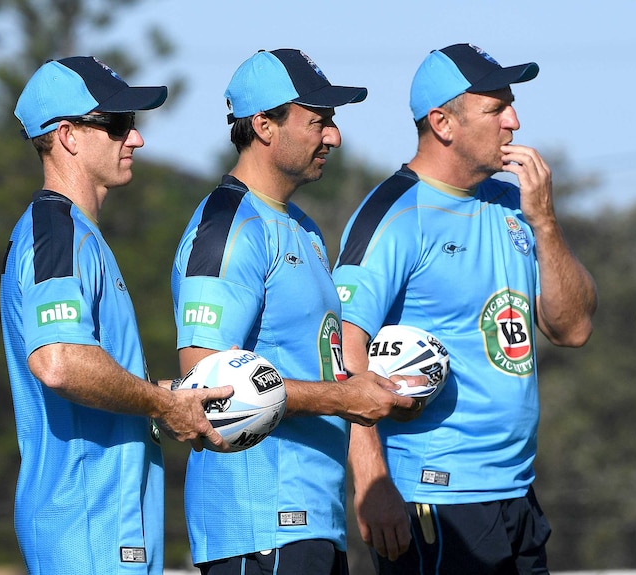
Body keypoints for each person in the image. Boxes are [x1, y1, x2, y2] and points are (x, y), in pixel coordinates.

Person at [332, 44, 598, 574]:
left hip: (517, 490)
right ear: (442, 123)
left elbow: (573, 328)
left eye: (512, 105)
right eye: (496, 109)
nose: (514, 121)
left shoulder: (514, 204)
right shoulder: (394, 215)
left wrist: (544, 221)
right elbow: (342, 349)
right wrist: (372, 481)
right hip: (435, 495)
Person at [171, 48, 423, 575]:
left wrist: (377, 391)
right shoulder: (227, 226)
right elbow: (204, 384)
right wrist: (346, 398)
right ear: (263, 126)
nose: (333, 136)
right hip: (259, 525)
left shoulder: (302, 226)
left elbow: (321, 367)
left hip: (311, 520)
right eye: (319, 121)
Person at [1, 56, 233, 575]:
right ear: (68, 136)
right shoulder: (55, 232)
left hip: (106, 529)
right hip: (87, 529)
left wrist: (172, 397)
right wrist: (161, 404)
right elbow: (59, 362)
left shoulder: (76, 234)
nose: (137, 139)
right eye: (118, 124)